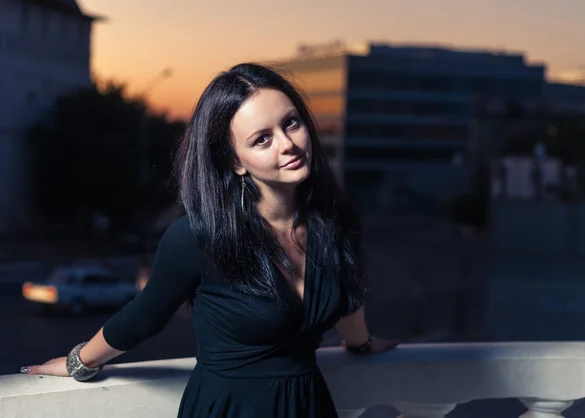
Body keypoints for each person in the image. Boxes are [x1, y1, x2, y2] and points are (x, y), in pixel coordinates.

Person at [22, 63, 398, 417]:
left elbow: (348, 296)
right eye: (262, 139)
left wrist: (361, 343)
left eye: (291, 123)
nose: (287, 144)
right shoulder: (197, 237)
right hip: (229, 407)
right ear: (236, 162)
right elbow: (143, 317)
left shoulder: (334, 223)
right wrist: (78, 363)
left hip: (307, 404)